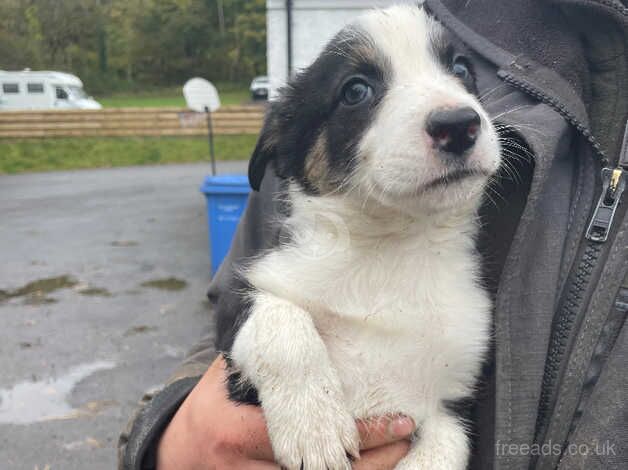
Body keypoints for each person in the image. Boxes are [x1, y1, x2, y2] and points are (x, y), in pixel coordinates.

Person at [119, 0, 628, 469]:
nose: (452, 111)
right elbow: (233, 318)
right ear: (291, 147)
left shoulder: (463, 312)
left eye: (455, 70)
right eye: (357, 91)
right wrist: (170, 439)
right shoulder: (291, 280)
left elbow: (445, 418)